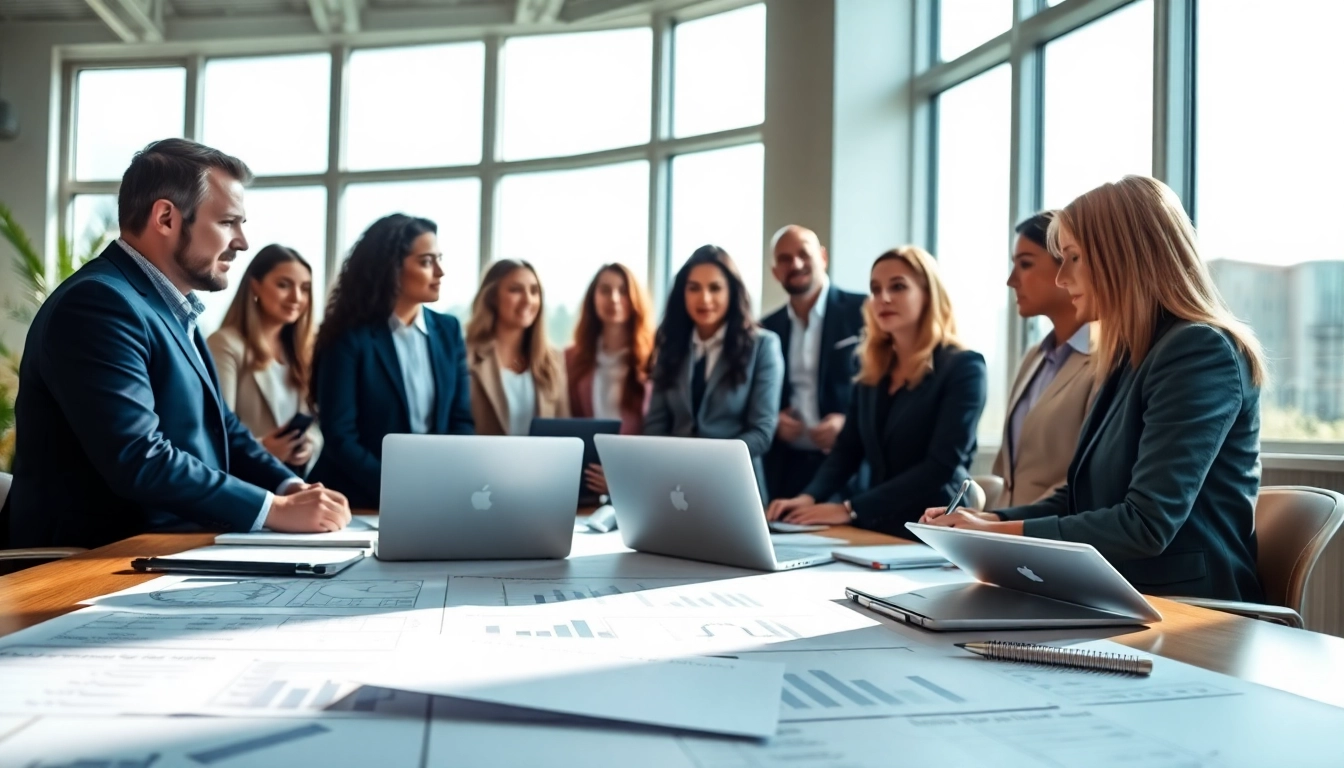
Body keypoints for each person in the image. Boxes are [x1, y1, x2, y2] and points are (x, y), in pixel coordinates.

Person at [922, 176, 1266, 602]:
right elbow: (1081, 497)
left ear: (1123, 256)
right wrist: (988, 520)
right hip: (1119, 595)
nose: (1062, 278)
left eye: (1073, 258)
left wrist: (997, 533)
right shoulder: (1130, 356)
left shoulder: (1198, 350)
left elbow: (1145, 524)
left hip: (1192, 609)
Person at [7, 138, 349, 549]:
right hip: (91, 559)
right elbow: (139, 456)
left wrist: (290, 487)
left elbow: (224, 428)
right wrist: (273, 510)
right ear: (166, 218)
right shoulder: (97, 304)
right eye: (227, 222)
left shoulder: (172, 307)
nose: (242, 241)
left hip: (164, 549)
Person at [766, 246, 986, 535]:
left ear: (928, 294)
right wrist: (808, 497)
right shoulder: (871, 367)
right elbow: (847, 449)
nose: (883, 298)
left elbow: (940, 467)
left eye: (898, 287)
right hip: (876, 525)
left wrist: (850, 509)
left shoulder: (964, 367)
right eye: (875, 289)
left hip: (934, 528)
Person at [307, 214, 474, 510]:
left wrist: (440, 484)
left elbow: (460, 421)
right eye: (426, 262)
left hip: (431, 499)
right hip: (354, 501)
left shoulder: (448, 331)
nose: (440, 272)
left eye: (439, 259)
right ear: (392, 268)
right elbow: (341, 437)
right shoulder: (348, 338)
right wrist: (400, 489)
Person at [644, 245, 784, 500]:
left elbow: (762, 432)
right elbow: (656, 426)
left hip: (735, 487)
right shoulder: (671, 346)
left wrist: (706, 463)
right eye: (694, 288)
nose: (704, 298)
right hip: (675, 487)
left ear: (732, 291)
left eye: (715, 288)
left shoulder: (763, 345)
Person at [990, 211, 1097, 508]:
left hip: (1053, 530)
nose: (1012, 281)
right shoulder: (1033, 358)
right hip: (1003, 529)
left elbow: (1087, 478)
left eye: (1025, 264)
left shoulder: (1107, 360)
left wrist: (1005, 525)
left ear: (1069, 264)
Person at [760, 225, 867, 501]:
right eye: (784, 259)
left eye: (803, 254)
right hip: (786, 467)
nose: (795, 264)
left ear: (823, 257)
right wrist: (774, 421)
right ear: (775, 272)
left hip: (848, 466)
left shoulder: (864, 312)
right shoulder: (767, 328)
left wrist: (849, 424)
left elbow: (884, 387)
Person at [207, 244, 322, 476]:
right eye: (284, 285)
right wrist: (263, 449)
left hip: (294, 480)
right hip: (247, 482)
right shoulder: (225, 344)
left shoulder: (303, 351)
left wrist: (309, 445)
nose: (296, 297)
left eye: (305, 288)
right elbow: (215, 432)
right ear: (255, 285)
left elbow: (316, 426)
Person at [565, 263, 655, 496]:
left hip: (637, 482)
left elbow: (658, 432)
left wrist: (623, 477)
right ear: (592, 298)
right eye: (605, 290)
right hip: (585, 481)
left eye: (623, 291)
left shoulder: (654, 359)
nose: (614, 298)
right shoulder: (571, 359)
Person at [465, 259, 568, 436]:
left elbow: (564, 429)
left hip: (541, 456)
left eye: (534, 291)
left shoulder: (552, 360)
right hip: (479, 455)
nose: (528, 300)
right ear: (492, 297)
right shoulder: (465, 355)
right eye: (515, 290)